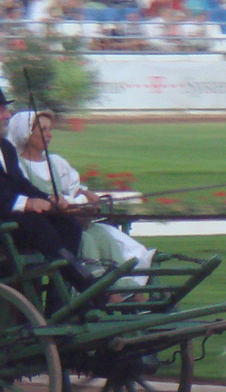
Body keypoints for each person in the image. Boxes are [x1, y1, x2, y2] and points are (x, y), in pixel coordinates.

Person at [0, 85, 87, 276]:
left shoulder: (6, 147)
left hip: (9, 218)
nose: (8, 115)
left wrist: (48, 198)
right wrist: (25, 203)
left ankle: (60, 299)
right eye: (2, 110)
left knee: (68, 224)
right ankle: (82, 281)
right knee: (37, 224)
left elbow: (20, 184)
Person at [8, 109, 155, 281]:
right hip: (51, 229)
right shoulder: (18, 166)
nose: (49, 135)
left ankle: (128, 286)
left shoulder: (56, 162)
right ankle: (101, 289)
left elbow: (73, 188)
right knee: (86, 239)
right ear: (26, 133)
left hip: (72, 221)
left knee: (103, 235)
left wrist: (85, 195)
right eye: (43, 130)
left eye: (50, 129)